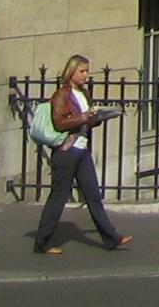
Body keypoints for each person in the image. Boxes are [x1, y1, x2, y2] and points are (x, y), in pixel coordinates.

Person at [32, 55, 132, 256]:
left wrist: (98, 117)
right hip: (67, 151)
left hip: (82, 149)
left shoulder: (83, 93)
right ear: (71, 72)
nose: (86, 75)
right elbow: (60, 123)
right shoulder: (62, 95)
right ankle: (42, 242)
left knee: (93, 195)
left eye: (87, 71)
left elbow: (86, 121)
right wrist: (83, 117)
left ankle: (111, 238)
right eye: (82, 71)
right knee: (59, 196)